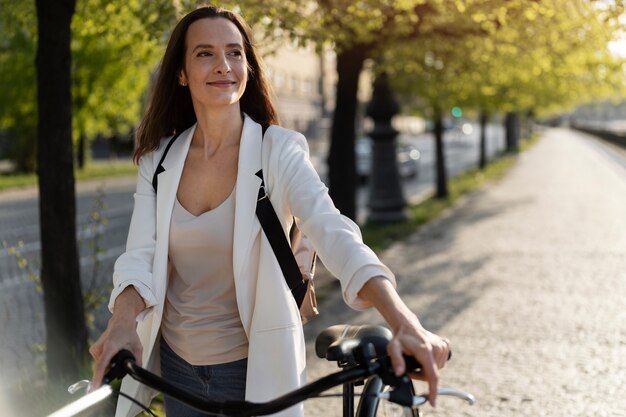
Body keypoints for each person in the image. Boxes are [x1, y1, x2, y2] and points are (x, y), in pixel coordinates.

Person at [89, 5, 450, 417]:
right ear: (182, 73)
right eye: (205, 53)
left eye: (235, 52)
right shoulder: (159, 161)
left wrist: (403, 320)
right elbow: (139, 255)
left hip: (256, 366)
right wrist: (121, 324)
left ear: (248, 66)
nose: (223, 65)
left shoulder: (278, 150)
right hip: (175, 370)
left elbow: (333, 231)